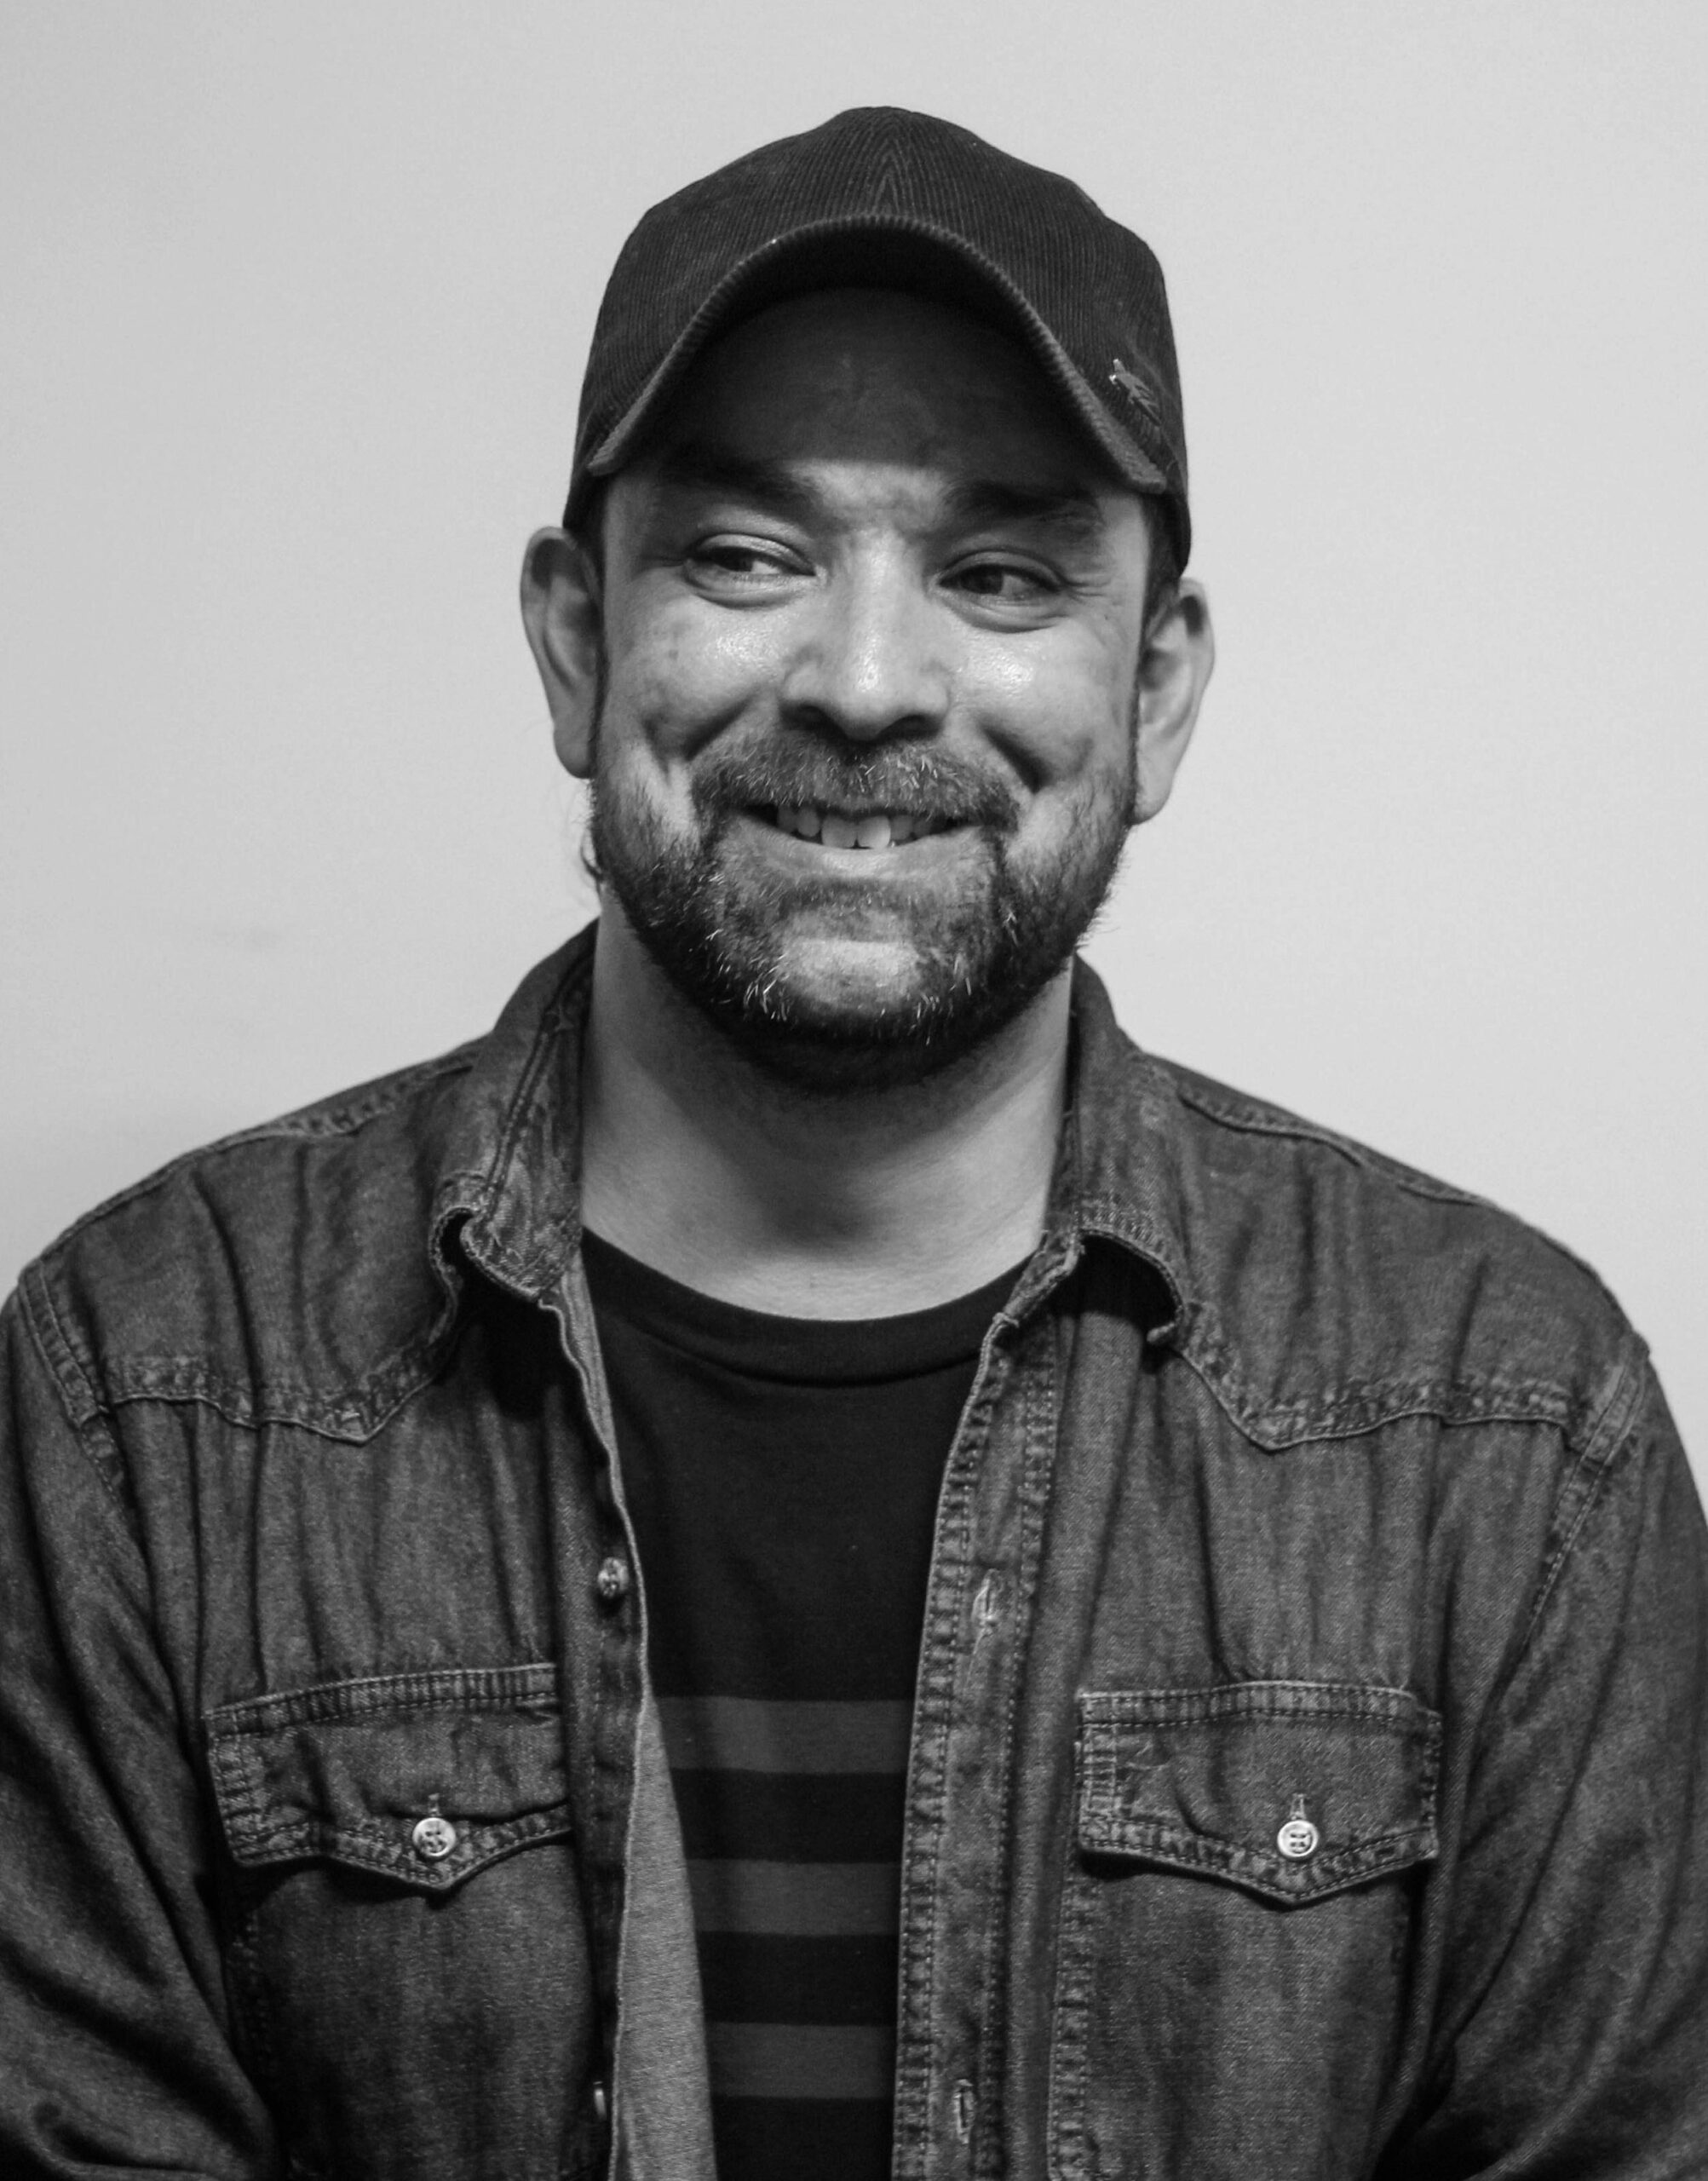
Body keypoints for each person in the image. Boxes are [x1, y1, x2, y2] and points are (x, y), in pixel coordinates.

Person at [1, 103, 1703, 2181]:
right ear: (574, 639)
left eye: (1001, 573)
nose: (870, 682)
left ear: (1157, 690)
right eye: (748, 555)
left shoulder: (1503, 1430)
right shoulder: (144, 1391)